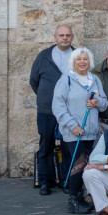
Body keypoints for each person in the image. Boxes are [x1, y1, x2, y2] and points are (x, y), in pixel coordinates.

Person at [51, 47, 108, 214]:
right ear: (73, 62)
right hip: (74, 132)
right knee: (78, 164)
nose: (82, 62)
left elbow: (104, 103)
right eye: (78, 59)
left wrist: (96, 102)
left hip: (91, 131)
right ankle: (73, 199)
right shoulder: (66, 80)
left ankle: (81, 196)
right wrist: (72, 125)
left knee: (86, 165)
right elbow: (58, 106)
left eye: (85, 59)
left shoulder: (95, 80)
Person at [29, 24, 75, 195]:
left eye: (67, 35)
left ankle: (67, 180)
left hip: (69, 111)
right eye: (61, 35)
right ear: (55, 37)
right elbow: (34, 81)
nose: (64, 38)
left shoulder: (77, 56)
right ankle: (45, 181)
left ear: (72, 37)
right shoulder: (44, 56)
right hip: (47, 110)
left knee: (68, 145)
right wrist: (46, 97)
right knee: (46, 145)